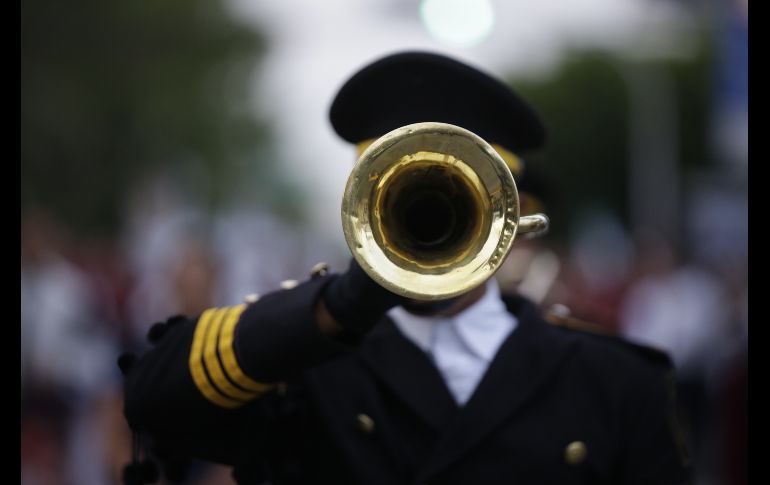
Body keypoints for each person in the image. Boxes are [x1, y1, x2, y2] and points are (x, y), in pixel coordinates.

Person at [119, 52, 691, 485]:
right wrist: (336, 308)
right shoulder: (304, 367)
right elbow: (151, 401)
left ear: (511, 218)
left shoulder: (614, 380)